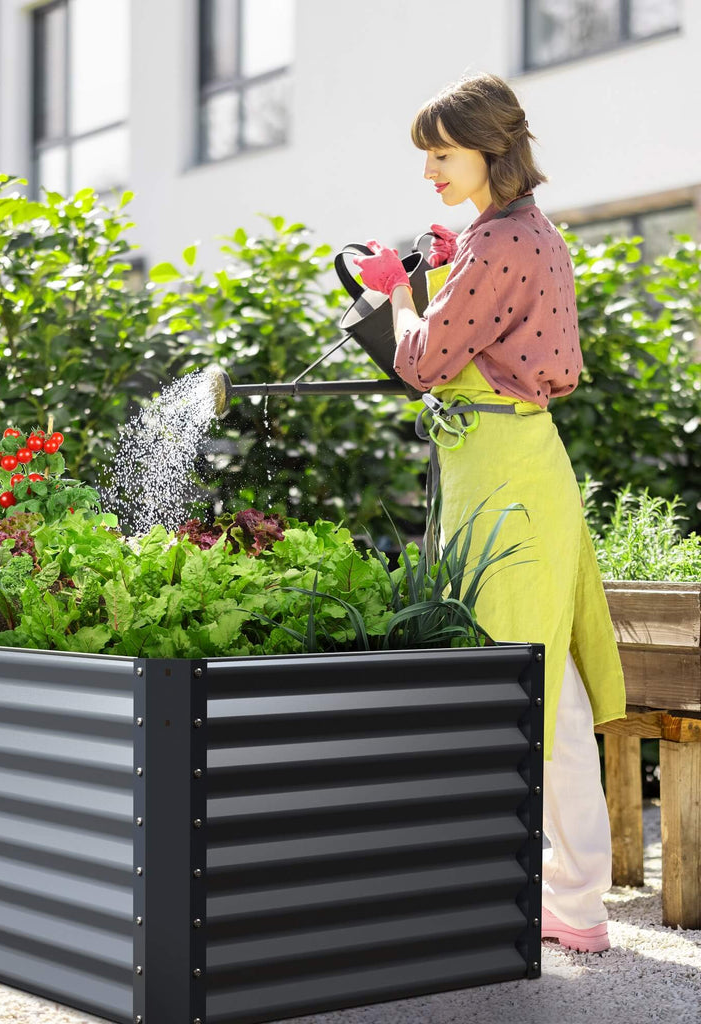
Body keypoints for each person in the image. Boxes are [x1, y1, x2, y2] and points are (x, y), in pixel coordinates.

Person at [352, 73, 627, 954]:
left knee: (535, 689)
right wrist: (445, 260)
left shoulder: (495, 243)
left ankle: (575, 906)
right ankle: (567, 897)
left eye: (441, 154)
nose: (429, 169)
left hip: (504, 472)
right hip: (517, 459)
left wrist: (395, 289)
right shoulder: (519, 233)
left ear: (488, 150)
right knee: (547, 685)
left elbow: (426, 362)